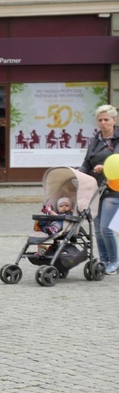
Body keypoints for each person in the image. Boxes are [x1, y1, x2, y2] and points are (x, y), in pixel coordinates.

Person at [79, 104, 119, 274]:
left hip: (114, 188)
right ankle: (103, 260)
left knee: (106, 228)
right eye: (100, 120)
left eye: (106, 120)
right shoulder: (95, 140)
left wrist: (105, 167)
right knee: (97, 229)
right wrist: (78, 176)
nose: (103, 123)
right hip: (96, 189)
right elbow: (87, 163)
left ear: (114, 121)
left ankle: (115, 261)